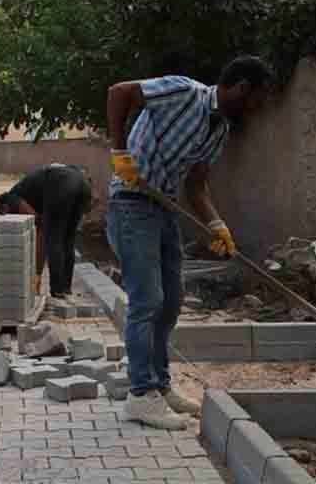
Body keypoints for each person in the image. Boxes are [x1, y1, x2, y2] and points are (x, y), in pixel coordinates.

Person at [105, 56, 274, 429]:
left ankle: (160, 387)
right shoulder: (184, 92)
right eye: (257, 99)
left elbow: (196, 185)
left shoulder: (220, 131)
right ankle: (139, 395)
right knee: (147, 301)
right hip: (131, 203)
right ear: (242, 88)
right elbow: (119, 93)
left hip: (163, 209)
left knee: (171, 302)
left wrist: (217, 224)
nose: (257, 109)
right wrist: (120, 152)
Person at [0, 163, 93, 300]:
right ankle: (65, 288)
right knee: (67, 240)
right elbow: (41, 230)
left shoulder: (9, 198)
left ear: (4, 208)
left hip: (61, 185)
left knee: (55, 239)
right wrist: (38, 274)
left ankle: (58, 290)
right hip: (82, 185)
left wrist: (36, 274)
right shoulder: (34, 193)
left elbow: (38, 221)